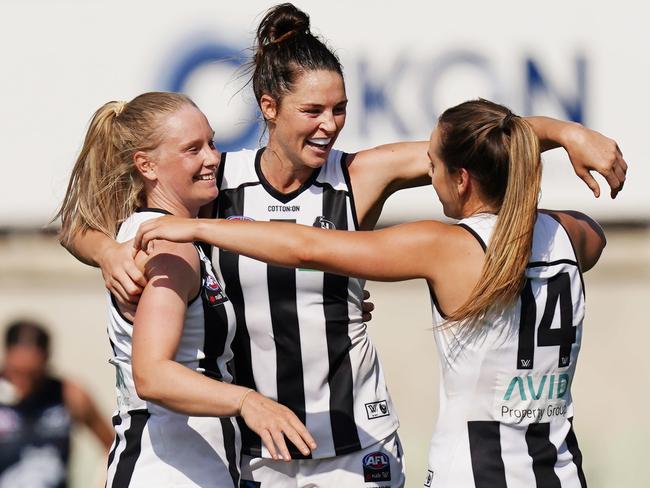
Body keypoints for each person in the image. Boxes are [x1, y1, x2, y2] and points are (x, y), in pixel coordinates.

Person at [64, 4, 626, 486]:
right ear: (268, 108)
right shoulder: (214, 178)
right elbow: (80, 223)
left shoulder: (359, 175)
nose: (329, 125)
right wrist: (110, 252)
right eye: (312, 111)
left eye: (340, 109)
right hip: (261, 451)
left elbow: (476, 142)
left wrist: (567, 132)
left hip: (359, 439)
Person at [133, 98, 609, 488]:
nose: (429, 175)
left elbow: (305, 247)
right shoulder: (576, 234)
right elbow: (559, 224)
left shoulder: (445, 246)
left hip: (475, 473)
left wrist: (195, 227)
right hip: (561, 470)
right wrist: (561, 135)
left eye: (434, 165)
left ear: (462, 179)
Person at [56, 92, 315, 487]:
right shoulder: (170, 247)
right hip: (164, 471)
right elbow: (153, 376)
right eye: (192, 149)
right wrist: (249, 402)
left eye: (211, 142)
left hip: (188, 468)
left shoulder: (172, 233)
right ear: (146, 165)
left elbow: (75, 231)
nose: (213, 158)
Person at [0, 319, 113, 488]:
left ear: (46, 360)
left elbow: (112, 446)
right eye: (16, 372)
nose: (23, 382)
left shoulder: (69, 394)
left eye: (32, 374)